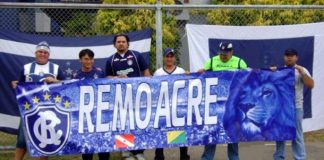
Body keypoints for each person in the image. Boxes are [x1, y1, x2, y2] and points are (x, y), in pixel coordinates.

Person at [11, 41, 66, 160]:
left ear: (48, 55)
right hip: (29, 108)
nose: (42, 54)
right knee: (22, 139)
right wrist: (16, 84)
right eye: (40, 51)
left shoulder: (55, 68)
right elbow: (21, 84)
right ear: (35, 53)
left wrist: (55, 81)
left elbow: (65, 84)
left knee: (44, 138)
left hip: (48, 108)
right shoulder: (26, 68)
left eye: (45, 52)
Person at [197, 42, 247, 160]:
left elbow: (248, 78)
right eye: (221, 54)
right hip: (215, 104)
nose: (223, 56)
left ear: (231, 52)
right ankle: (207, 157)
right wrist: (199, 73)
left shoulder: (240, 62)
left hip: (233, 104)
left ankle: (234, 157)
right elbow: (203, 76)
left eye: (225, 54)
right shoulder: (212, 61)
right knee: (212, 132)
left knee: (232, 133)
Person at [105, 34, 151, 160]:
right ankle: (125, 151)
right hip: (120, 97)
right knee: (123, 123)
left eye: (123, 41)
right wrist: (117, 77)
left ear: (128, 43)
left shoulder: (136, 56)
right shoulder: (111, 60)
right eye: (118, 42)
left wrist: (149, 88)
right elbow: (107, 77)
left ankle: (139, 151)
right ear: (115, 44)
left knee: (138, 123)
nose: (121, 43)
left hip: (137, 96)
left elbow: (146, 72)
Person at [272, 49, 314, 160]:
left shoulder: (301, 70)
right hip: (281, 107)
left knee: (297, 135)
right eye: (287, 55)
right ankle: (279, 157)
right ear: (284, 57)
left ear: (296, 57)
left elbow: (310, 85)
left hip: (296, 107)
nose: (289, 57)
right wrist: (270, 72)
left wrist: (302, 72)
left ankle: (300, 158)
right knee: (280, 135)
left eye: (292, 55)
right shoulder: (279, 70)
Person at [153, 48, 190, 160]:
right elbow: (154, 89)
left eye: (171, 56)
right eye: (167, 56)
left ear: (174, 58)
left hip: (178, 107)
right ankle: (159, 156)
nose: (169, 58)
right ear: (164, 58)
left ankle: (184, 155)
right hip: (163, 106)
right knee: (161, 131)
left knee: (180, 130)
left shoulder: (181, 71)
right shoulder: (158, 72)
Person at [73, 49, 109, 160]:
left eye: (91, 59)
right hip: (85, 114)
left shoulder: (100, 72)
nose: (89, 62)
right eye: (86, 59)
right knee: (87, 141)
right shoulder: (76, 75)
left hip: (100, 113)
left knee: (102, 142)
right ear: (80, 60)